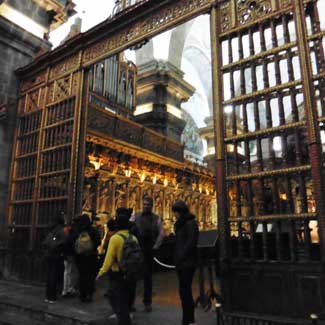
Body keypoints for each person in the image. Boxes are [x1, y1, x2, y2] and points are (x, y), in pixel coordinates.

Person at [96, 208, 137, 325]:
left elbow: (108, 260)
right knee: (125, 298)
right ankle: (126, 318)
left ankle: (124, 320)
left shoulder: (115, 238)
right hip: (130, 272)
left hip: (117, 273)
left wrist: (100, 273)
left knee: (116, 298)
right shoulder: (133, 238)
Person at [130, 196, 164, 312]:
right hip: (137, 250)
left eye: (148, 205)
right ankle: (131, 303)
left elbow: (161, 233)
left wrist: (156, 246)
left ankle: (147, 302)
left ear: (152, 206)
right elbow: (129, 228)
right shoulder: (136, 216)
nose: (146, 206)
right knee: (133, 278)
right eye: (144, 204)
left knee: (148, 279)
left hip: (149, 251)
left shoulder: (156, 218)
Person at [172, 200, 199, 325]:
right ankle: (186, 319)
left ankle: (190, 319)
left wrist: (181, 256)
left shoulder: (191, 223)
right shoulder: (181, 224)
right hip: (181, 263)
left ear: (181, 212)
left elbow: (191, 243)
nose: (174, 215)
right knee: (183, 292)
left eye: (176, 212)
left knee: (185, 291)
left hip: (187, 262)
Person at [73, 214, 101, 302]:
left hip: (80, 257)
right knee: (91, 275)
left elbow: (73, 241)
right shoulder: (93, 230)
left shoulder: (78, 230)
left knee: (82, 275)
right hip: (91, 256)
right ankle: (90, 294)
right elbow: (98, 242)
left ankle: (82, 294)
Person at [42, 213, 66, 303]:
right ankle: (52, 296)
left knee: (49, 275)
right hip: (56, 256)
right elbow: (63, 243)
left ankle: (48, 296)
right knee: (54, 276)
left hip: (48, 255)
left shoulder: (50, 229)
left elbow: (44, 242)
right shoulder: (60, 230)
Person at [62, 216, 79, 298]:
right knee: (70, 271)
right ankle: (68, 289)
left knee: (67, 271)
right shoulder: (75, 233)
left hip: (67, 254)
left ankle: (66, 290)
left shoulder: (69, 233)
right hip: (71, 254)